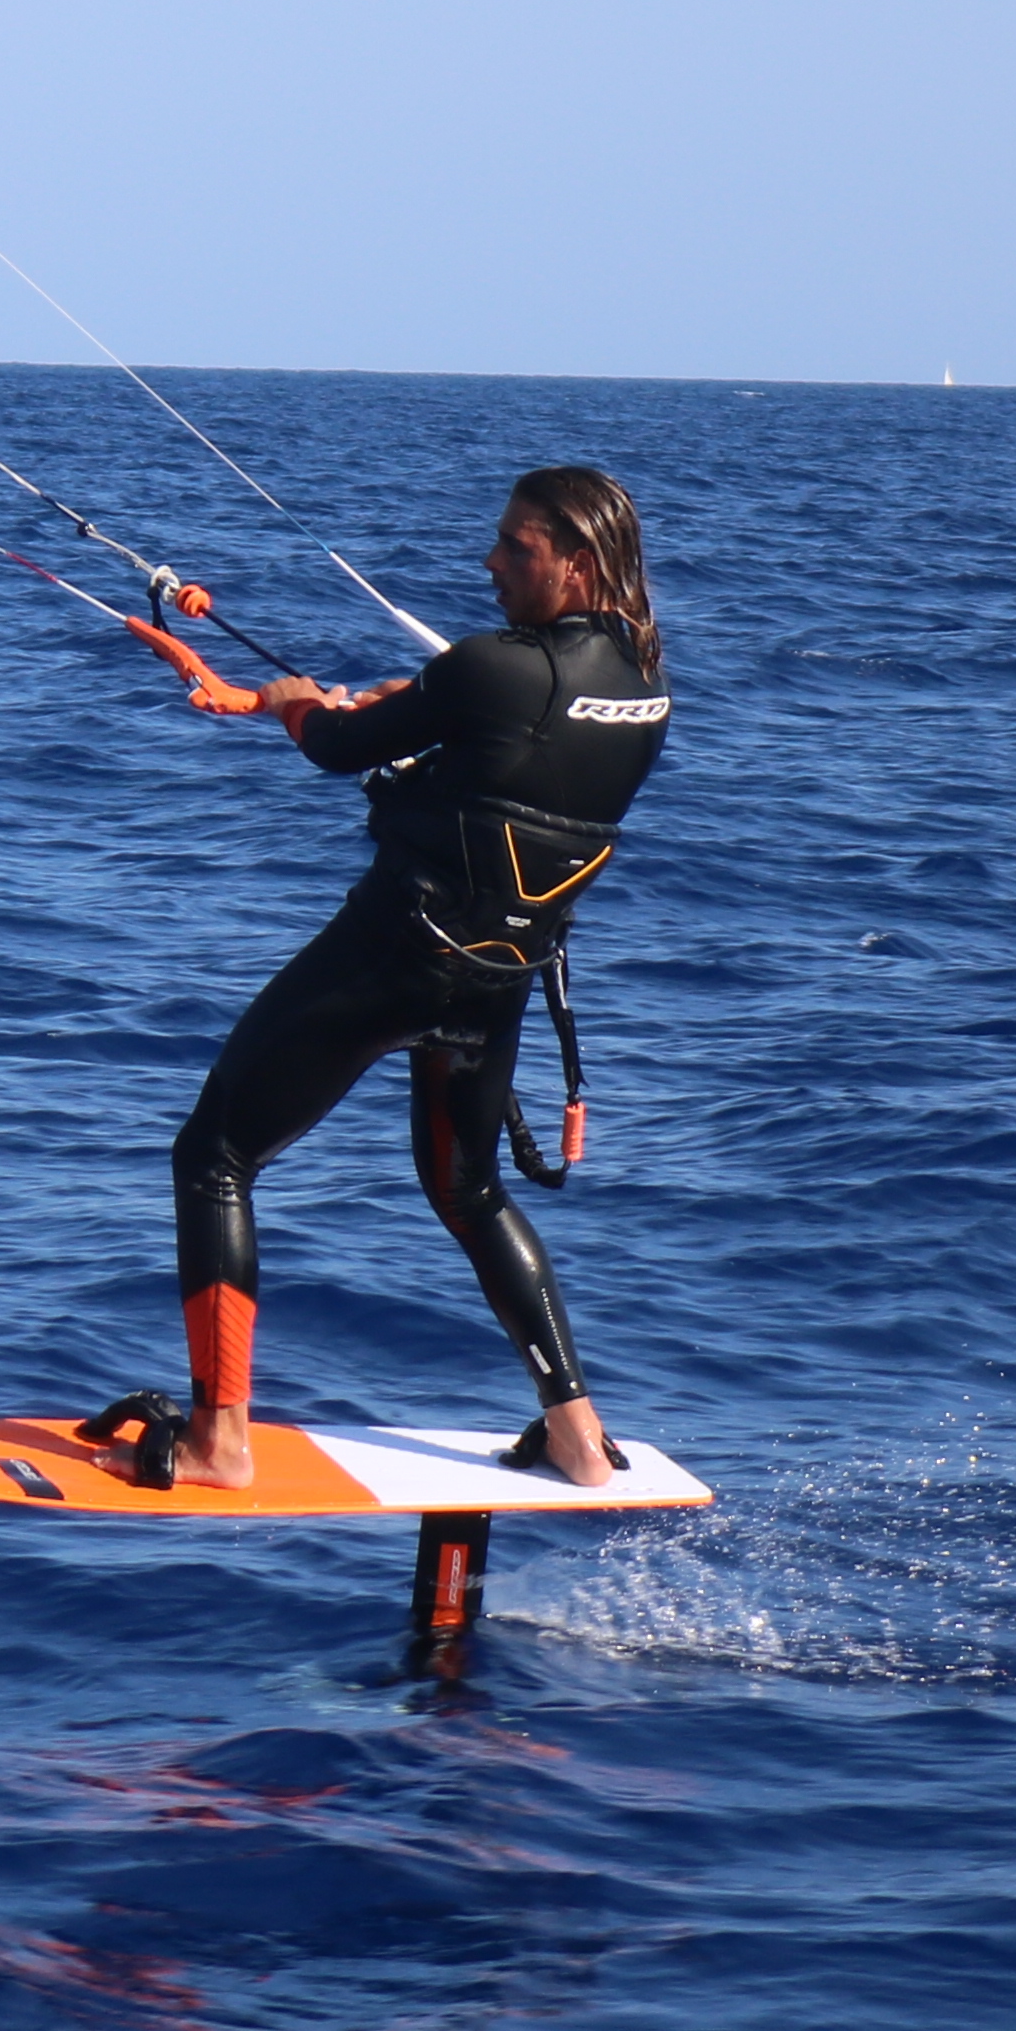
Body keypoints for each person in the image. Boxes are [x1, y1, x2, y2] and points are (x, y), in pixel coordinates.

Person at [144, 467, 670, 1492]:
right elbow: (516, 762)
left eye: (516, 547)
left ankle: (221, 1440)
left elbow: (340, 745)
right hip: (499, 976)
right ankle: (575, 1434)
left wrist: (298, 704)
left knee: (214, 1152)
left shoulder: (490, 669)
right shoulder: (645, 687)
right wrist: (427, 722)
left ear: (578, 559)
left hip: (398, 955)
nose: (490, 562)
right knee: (468, 1189)